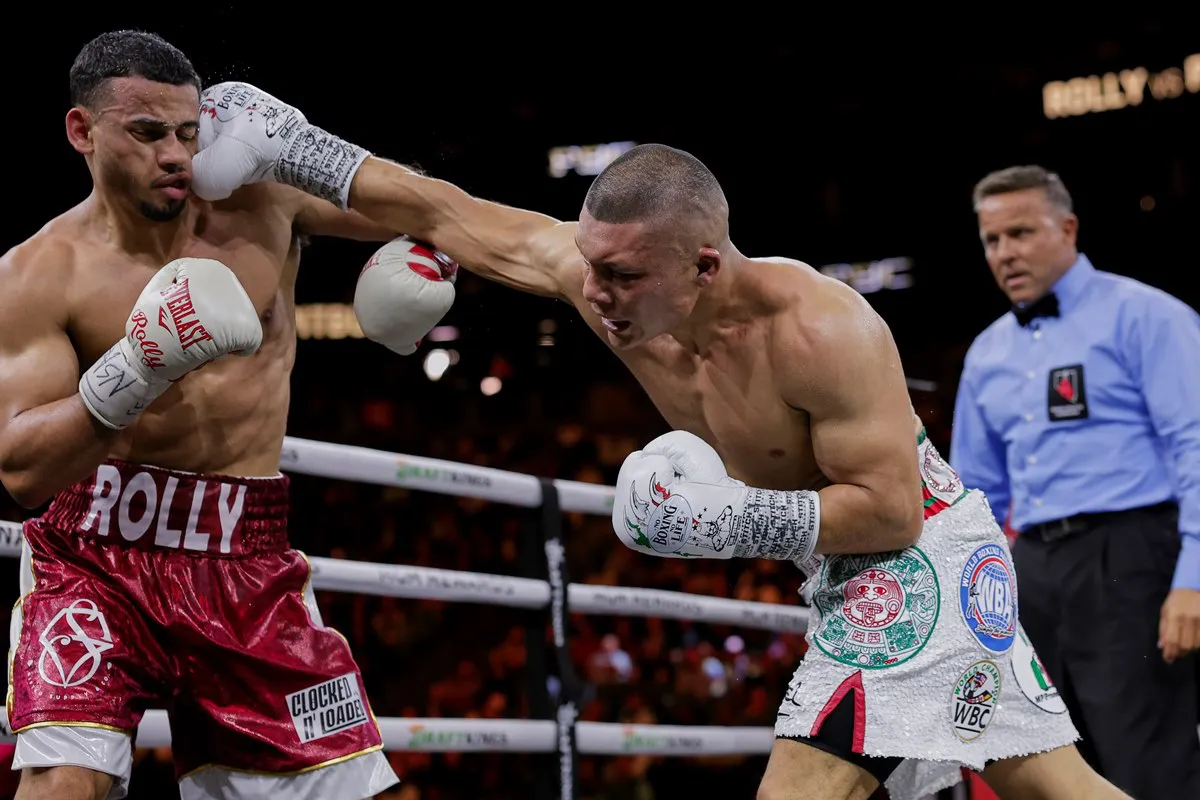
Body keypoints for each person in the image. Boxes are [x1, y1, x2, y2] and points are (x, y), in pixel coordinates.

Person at [194, 83, 1132, 800]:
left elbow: (886, 509)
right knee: (1055, 786)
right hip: (869, 567)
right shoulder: (600, 278)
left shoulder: (822, 329)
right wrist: (293, 142)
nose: (594, 296)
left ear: (706, 266)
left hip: (912, 560)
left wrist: (726, 523)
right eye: (590, 267)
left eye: (623, 276)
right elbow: (445, 210)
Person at [0, 31, 457, 800]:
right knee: (62, 786)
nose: (177, 155)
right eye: (147, 134)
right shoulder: (35, 274)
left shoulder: (263, 199)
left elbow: (419, 201)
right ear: (82, 132)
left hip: (245, 556)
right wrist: (132, 368)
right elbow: (19, 469)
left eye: (187, 131)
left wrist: (418, 242)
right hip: (94, 557)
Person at [950, 164, 1200, 798]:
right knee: (1049, 768)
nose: (1005, 253)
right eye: (991, 240)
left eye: (1021, 233)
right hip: (1029, 568)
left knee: (1146, 762)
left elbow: (1195, 447)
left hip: (1133, 558)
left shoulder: (1149, 316)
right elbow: (973, 497)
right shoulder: (986, 353)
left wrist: (1193, 580)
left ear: (1068, 229)